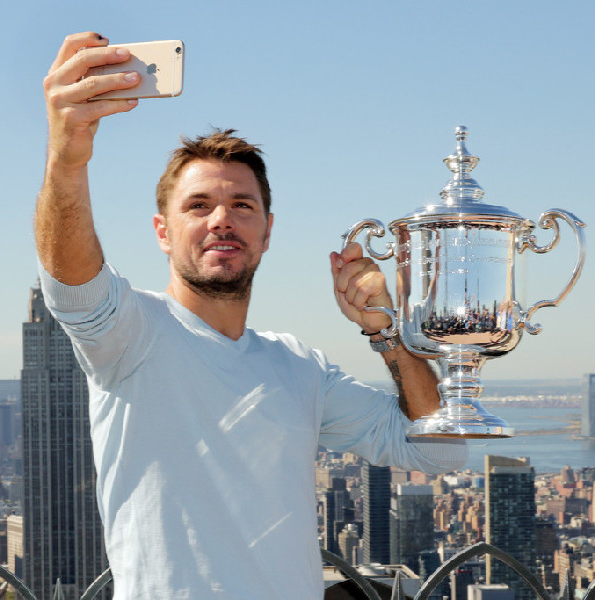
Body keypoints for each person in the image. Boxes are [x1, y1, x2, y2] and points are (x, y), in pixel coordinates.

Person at [35, 31, 467, 600]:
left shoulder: (298, 367)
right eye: (198, 206)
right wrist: (68, 157)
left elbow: (437, 448)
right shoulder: (131, 333)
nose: (221, 220)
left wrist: (387, 330)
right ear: (162, 232)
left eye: (242, 205)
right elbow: (71, 279)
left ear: (267, 232)